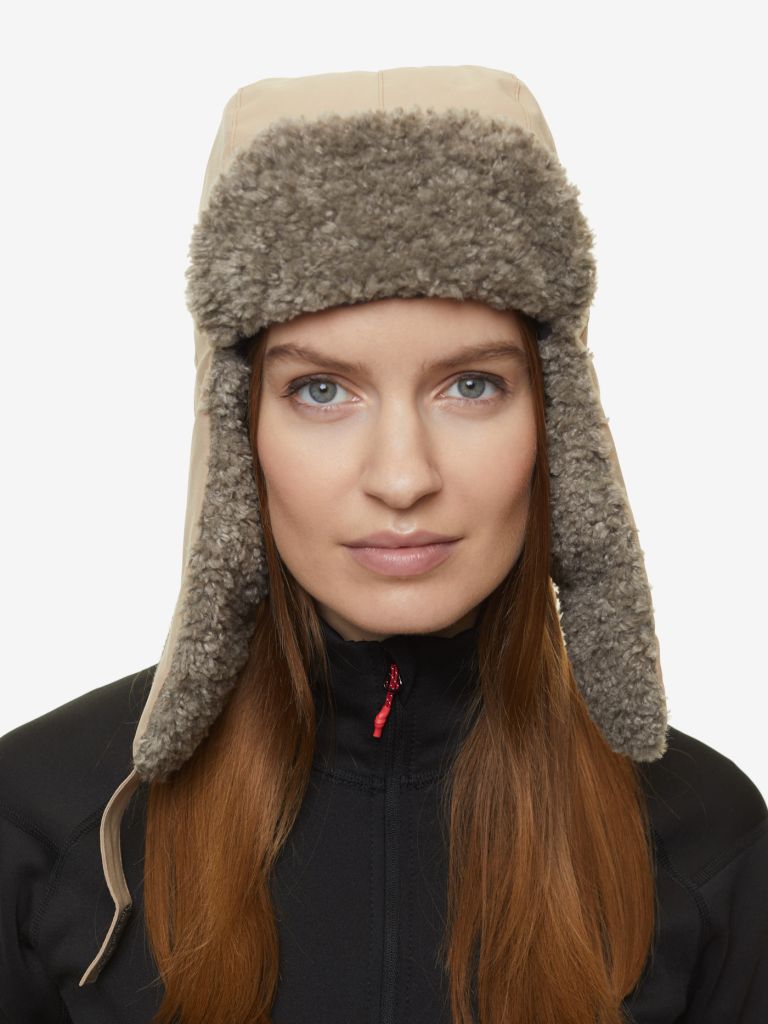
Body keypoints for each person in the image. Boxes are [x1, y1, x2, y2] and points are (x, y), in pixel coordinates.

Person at [1, 64, 766, 1024]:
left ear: (557, 422)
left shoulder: (707, 840)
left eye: (472, 385)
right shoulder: (44, 825)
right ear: (237, 431)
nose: (402, 477)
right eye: (321, 390)